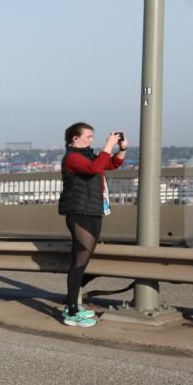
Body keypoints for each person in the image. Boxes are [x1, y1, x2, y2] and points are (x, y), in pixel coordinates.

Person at [58, 122, 128, 327]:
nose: (91, 139)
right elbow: (94, 168)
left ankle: (74, 306)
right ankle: (71, 311)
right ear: (75, 138)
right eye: (88, 136)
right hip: (79, 213)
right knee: (79, 262)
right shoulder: (72, 157)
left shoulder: (88, 155)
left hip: (93, 211)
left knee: (82, 261)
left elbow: (111, 164)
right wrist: (108, 146)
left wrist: (121, 149)